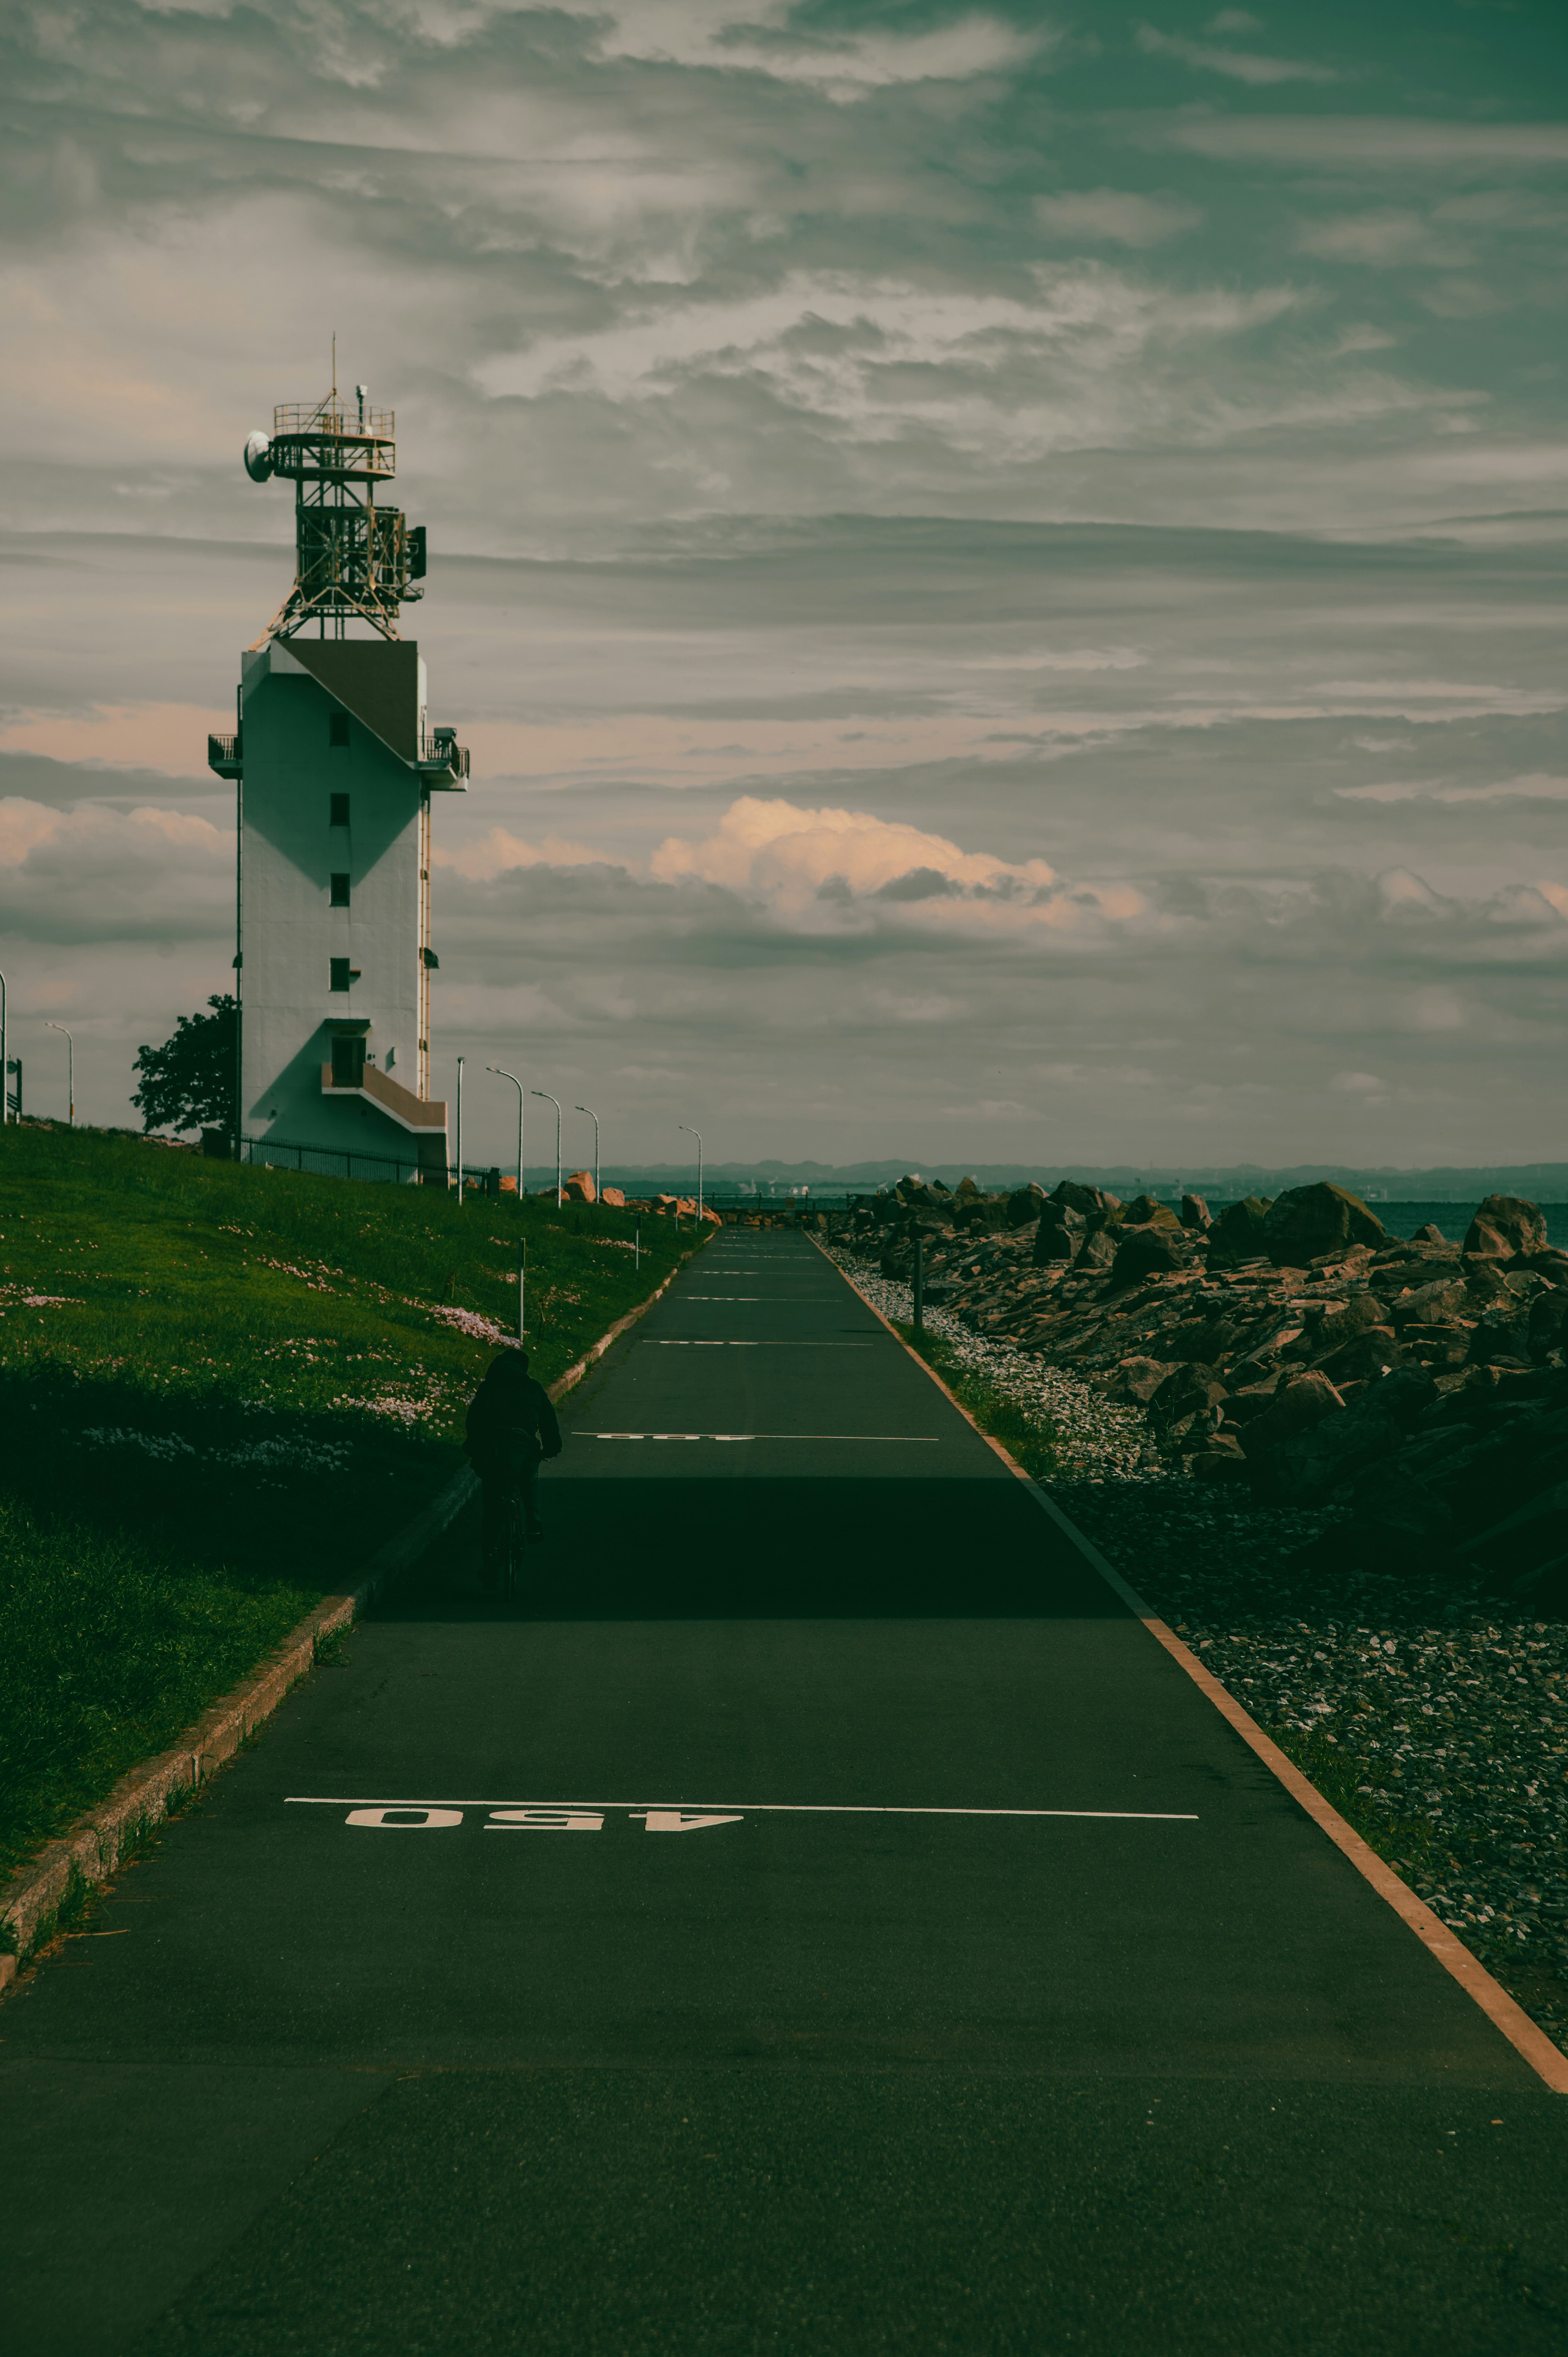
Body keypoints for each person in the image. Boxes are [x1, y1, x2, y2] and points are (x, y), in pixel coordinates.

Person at [463, 1349, 562, 1589]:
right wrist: (551, 1448)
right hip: (524, 1449)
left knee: (492, 1514)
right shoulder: (532, 1388)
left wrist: (474, 1449)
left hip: (494, 1455)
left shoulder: (487, 1389)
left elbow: (473, 1422)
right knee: (529, 1480)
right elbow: (549, 1421)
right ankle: (534, 1517)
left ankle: (489, 1564)